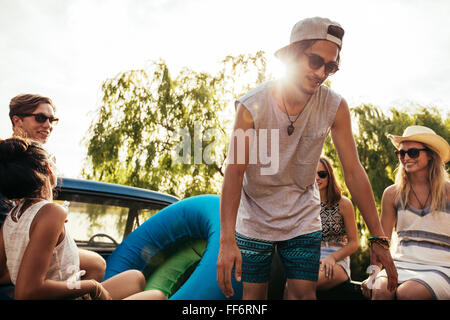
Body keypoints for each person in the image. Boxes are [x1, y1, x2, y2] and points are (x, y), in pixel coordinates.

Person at [216, 17, 397, 300]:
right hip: (254, 216)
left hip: (302, 215)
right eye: (315, 61)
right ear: (292, 55)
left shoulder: (335, 107)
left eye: (331, 66)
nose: (322, 72)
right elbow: (234, 172)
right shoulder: (251, 107)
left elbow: (353, 170)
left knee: (302, 295)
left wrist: (377, 236)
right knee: (253, 300)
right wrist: (226, 239)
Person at [0, 137, 166, 300]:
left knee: (135, 278)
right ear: (48, 169)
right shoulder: (50, 212)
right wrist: (90, 286)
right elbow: (26, 292)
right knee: (156, 296)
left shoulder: (12, 218)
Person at [1, 94, 106, 283]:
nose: (48, 125)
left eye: (52, 120)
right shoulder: (10, 163)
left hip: (24, 243)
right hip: (11, 251)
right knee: (96, 264)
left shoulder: (36, 159)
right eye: (40, 118)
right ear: (17, 120)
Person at [362, 125, 450, 300]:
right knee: (380, 291)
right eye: (401, 153)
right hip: (400, 263)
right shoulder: (392, 194)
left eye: (413, 152)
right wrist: (372, 275)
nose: (406, 158)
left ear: (431, 155)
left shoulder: (448, 192)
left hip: (440, 266)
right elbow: (380, 243)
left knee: (407, 294)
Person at [316, 156, 358, 291]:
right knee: (290, 287)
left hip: (337, 257)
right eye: (313, 174)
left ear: (330, 176)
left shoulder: (343, 203)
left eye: (322, 174)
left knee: (307, 285)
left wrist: (332, 257)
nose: (317, 178)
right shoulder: (305, 204)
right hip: (312, 256)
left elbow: (354, 243)